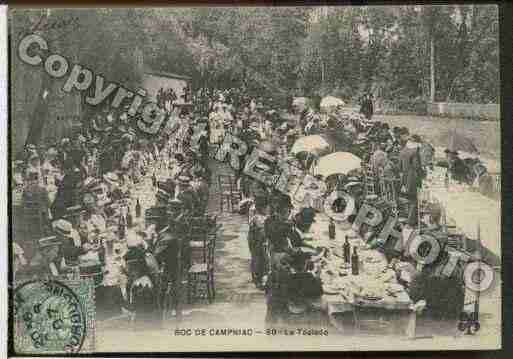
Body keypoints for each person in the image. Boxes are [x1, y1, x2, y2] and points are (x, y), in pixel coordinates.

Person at [399, 136, 423, 227]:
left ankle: (410, 217)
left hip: (404, 181)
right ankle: (411, 221)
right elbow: (417, 167)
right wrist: (423, 174)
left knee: (410, 199)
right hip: (412, 179)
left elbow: (400, 167)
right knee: (415, 200)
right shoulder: (415, 152)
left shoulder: (403, 151)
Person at [247, 195, 269, 289]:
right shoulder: (258, 218)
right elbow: (262, 230)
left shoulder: (259, 216)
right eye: (267, 207)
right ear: (263, 208)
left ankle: (257, 278)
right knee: (257, 259)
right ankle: (257, 280)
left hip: (255, 239)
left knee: (258, 259)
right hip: (255, 240)